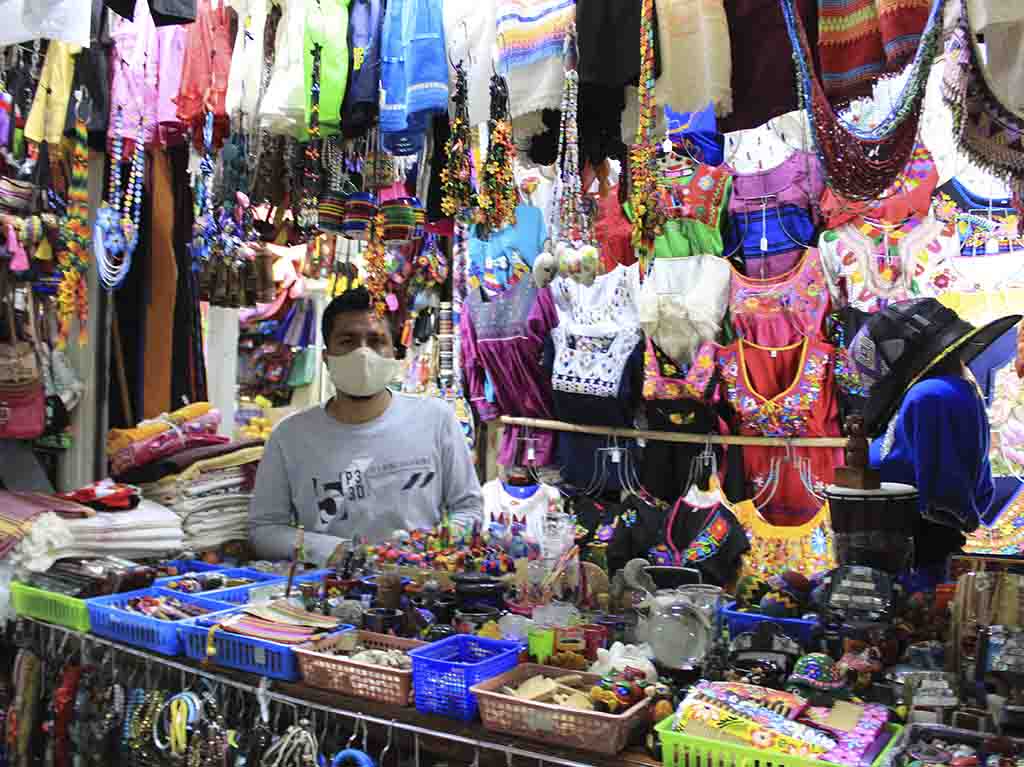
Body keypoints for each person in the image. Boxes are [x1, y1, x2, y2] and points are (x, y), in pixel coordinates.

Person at [249, 287, 482, 564]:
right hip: (325, 595)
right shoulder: (290, 437)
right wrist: (332, 551)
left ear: (393, 353)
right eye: (348, 341)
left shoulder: (436, 419)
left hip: (419, 588)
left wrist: (428, 550)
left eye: (375, 340)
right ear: (326, 358)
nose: (363, 353)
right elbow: (264, 530)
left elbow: (469, 509)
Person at [850, 298, 1021, 573]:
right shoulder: (947, 388)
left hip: (914, 557)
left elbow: (941, 500)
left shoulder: (930, 394)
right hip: (919, 549)